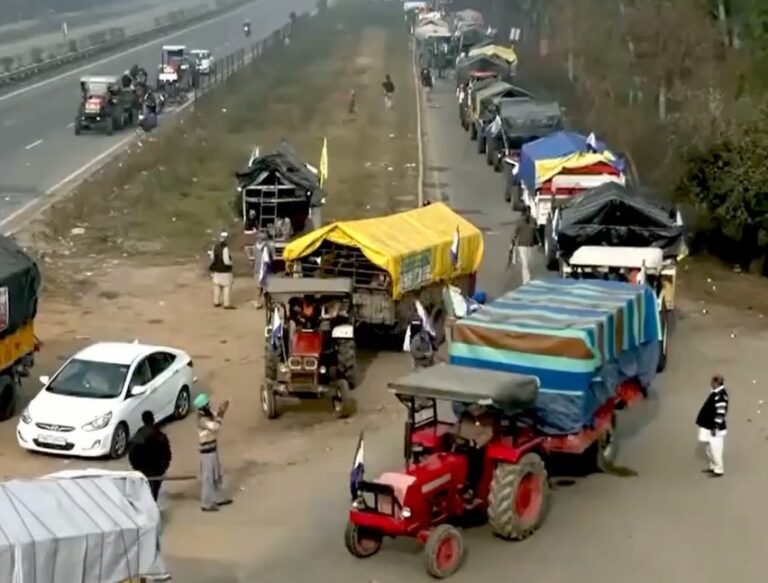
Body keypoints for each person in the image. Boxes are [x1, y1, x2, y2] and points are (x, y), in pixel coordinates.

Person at [194, 393, 233, 511]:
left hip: (213, 448)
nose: (208, 405)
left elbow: (216, 416)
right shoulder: (201, 419)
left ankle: (217, 498)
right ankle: (206, 503)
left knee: (217, 474)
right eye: (207, 404)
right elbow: (215, 426)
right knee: (208, 478)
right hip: (207, 451)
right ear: (202, 406)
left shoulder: (207, 413)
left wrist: (221, 411)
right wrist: (221, 414)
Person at [128, 411, 172, 501]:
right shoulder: (160, 436)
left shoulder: (138, 435)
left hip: (143, 469)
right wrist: (164, 467)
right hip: (157, 470)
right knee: (154, 490)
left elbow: (132, 453)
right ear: (153, 419)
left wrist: (136, 467)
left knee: (144, 491)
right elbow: (167, 454)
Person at [696, 374, 729, 477]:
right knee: (709, 449)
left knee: (716, 449)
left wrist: (716, 426)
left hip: (714, 428)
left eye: (712, 382)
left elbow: (721, 413)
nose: (710, 384)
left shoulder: (720, 396)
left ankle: (719, 469)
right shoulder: (716, 393)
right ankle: (713, 466)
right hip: (708, 426)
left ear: (716, 383)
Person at [508, 207, 539, 284]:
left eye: (529, 212)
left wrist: (538, 241)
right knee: (525, 263)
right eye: (526, 213)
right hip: (522, 246)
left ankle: (528, 278)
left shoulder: (533, 220)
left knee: (529, 262)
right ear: (523, 213)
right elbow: (515, 234)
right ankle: (526, 280)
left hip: (530, 245)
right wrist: (512, 243)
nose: (527, 214)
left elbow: (536, 231)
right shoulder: (519, 222)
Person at [209, 231, 234, 309]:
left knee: (217, 286)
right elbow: (226, 261)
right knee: (227, 287)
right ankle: (226, 304)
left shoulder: (215, 247)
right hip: (225, 271)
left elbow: (212, 257)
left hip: (216, 270)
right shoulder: (225, 248)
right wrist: (231, 263)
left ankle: (216, 302)